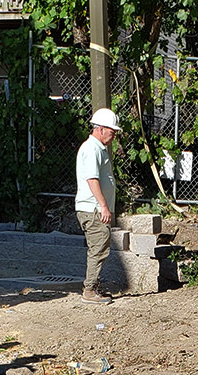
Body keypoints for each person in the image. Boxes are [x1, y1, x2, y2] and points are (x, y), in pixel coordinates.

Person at [75, 108, 122, 304]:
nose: (114, 136)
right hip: (93, 209)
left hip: (94, 208)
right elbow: (92, 179)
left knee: (99, 247)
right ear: (101, 129)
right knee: (99, 248)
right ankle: (90, 290)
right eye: (112, 132)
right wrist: (103, 206)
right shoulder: (92, 149)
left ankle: (93, 286)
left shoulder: (96, 148)